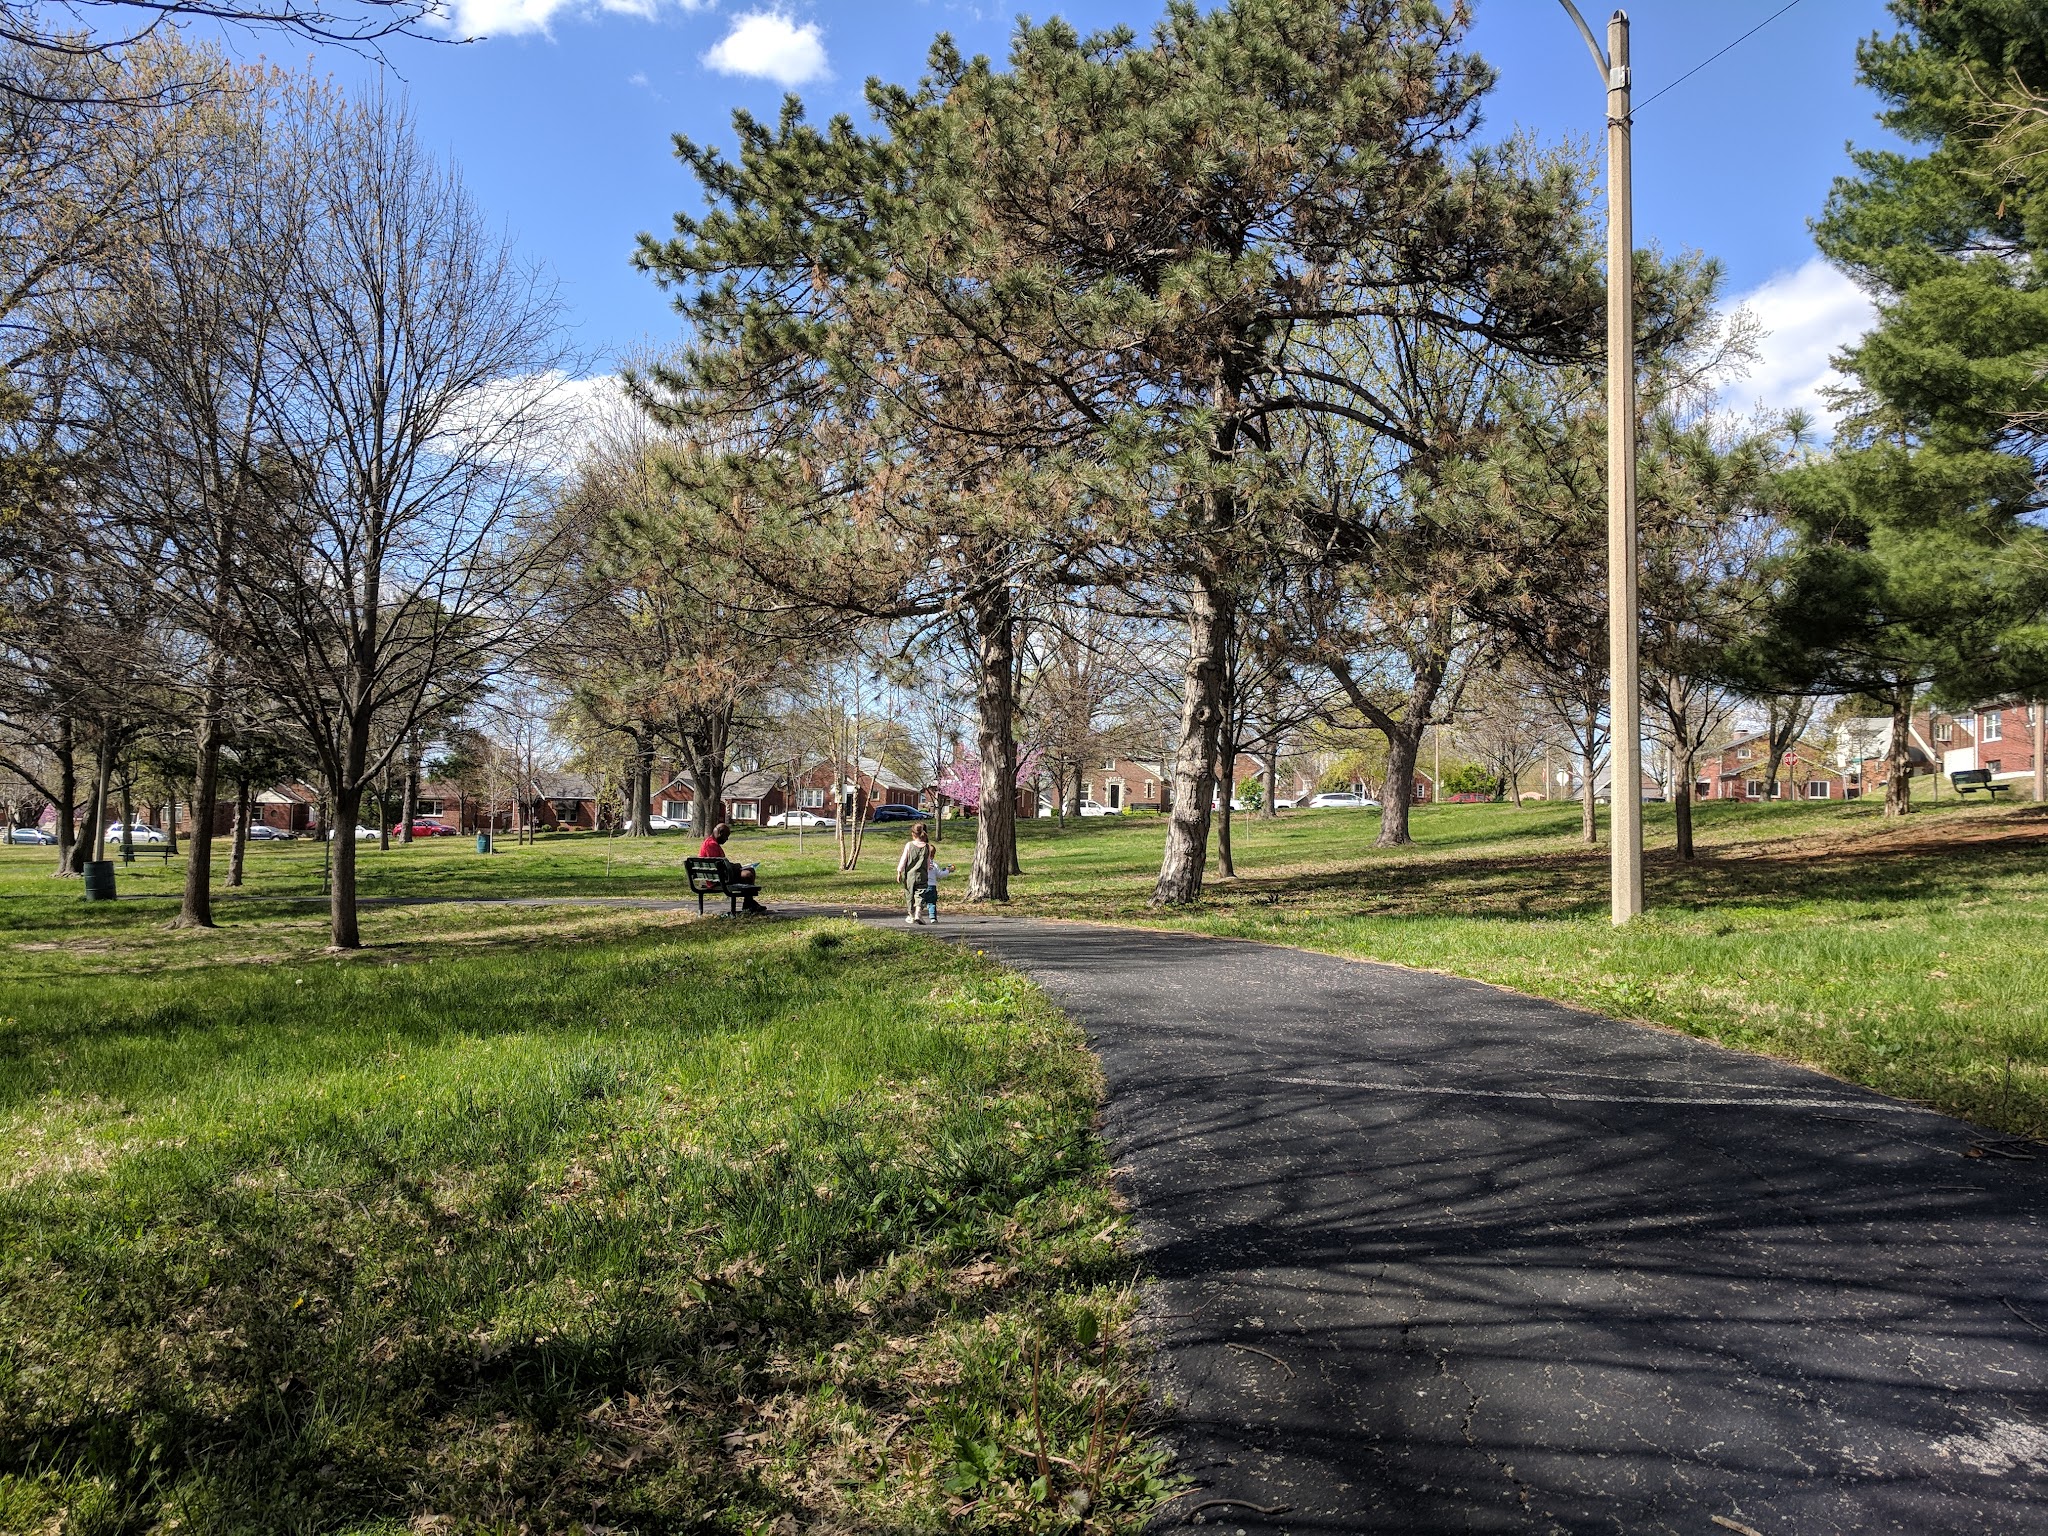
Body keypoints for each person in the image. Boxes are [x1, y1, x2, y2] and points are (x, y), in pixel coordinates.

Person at [699, 821, 767, 914]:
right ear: (720, 833)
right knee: (748, 874)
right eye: (726, 836)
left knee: (749, 871)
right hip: (717, 879)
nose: (726, 839)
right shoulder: (711, 845)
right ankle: (748, 904)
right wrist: (737, 867)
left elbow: (720, 863)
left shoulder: (710, 842)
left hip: (717, 876)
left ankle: (749, 903)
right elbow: (720, 866)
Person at [896, 822, 935, 924]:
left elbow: (903, 859)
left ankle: (911, 914)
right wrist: (927, 871)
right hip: (922, 875)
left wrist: (899, 871)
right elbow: (928, 862)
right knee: (920, 894)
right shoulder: (927, 847)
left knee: (909, 894)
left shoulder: (909, 845)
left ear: (913, 834)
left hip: (910, 876)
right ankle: (918, 912)